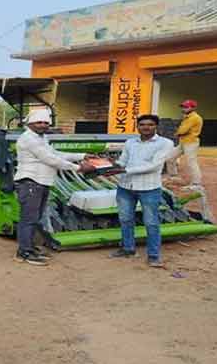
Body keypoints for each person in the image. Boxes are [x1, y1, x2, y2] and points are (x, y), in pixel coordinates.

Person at [14, 109, 96, 266]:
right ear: (30, 123)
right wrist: (78, 168)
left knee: (35, 218)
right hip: (30, 182)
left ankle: (29, 248)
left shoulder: (41, 138)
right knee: (29, 219)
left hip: (41, 183)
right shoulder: (28, 139)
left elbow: (56, 154)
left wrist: (82, 156)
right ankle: (24, 252)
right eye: (39, 122)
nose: (42, 125)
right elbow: (50, 159)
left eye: (46, 123)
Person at [106, 114, 174, 268]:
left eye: (150, 124)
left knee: (151, 222)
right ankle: (128, 248)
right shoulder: (130, 142)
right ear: (137, 126)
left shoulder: (165, 143)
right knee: (125, 219)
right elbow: (123, 161)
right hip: (125, 187)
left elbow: (154, 166)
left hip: (149, 188)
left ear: (156, 126)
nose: (146, 127)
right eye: (142, 124)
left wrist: (124, 169)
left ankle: (153, 256)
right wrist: (109, 165)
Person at [166, 99, 204, 189]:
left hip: (191, 142)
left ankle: (196, 183)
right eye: (183, 107)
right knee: (169, 158)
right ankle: (173, 177)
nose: (184, 108)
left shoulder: (194, 118)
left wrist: (177, 133)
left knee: (191, 162)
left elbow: (183, 130)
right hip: (183, 142)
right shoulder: (187, 117)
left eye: (186, 107)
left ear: (193, 108)